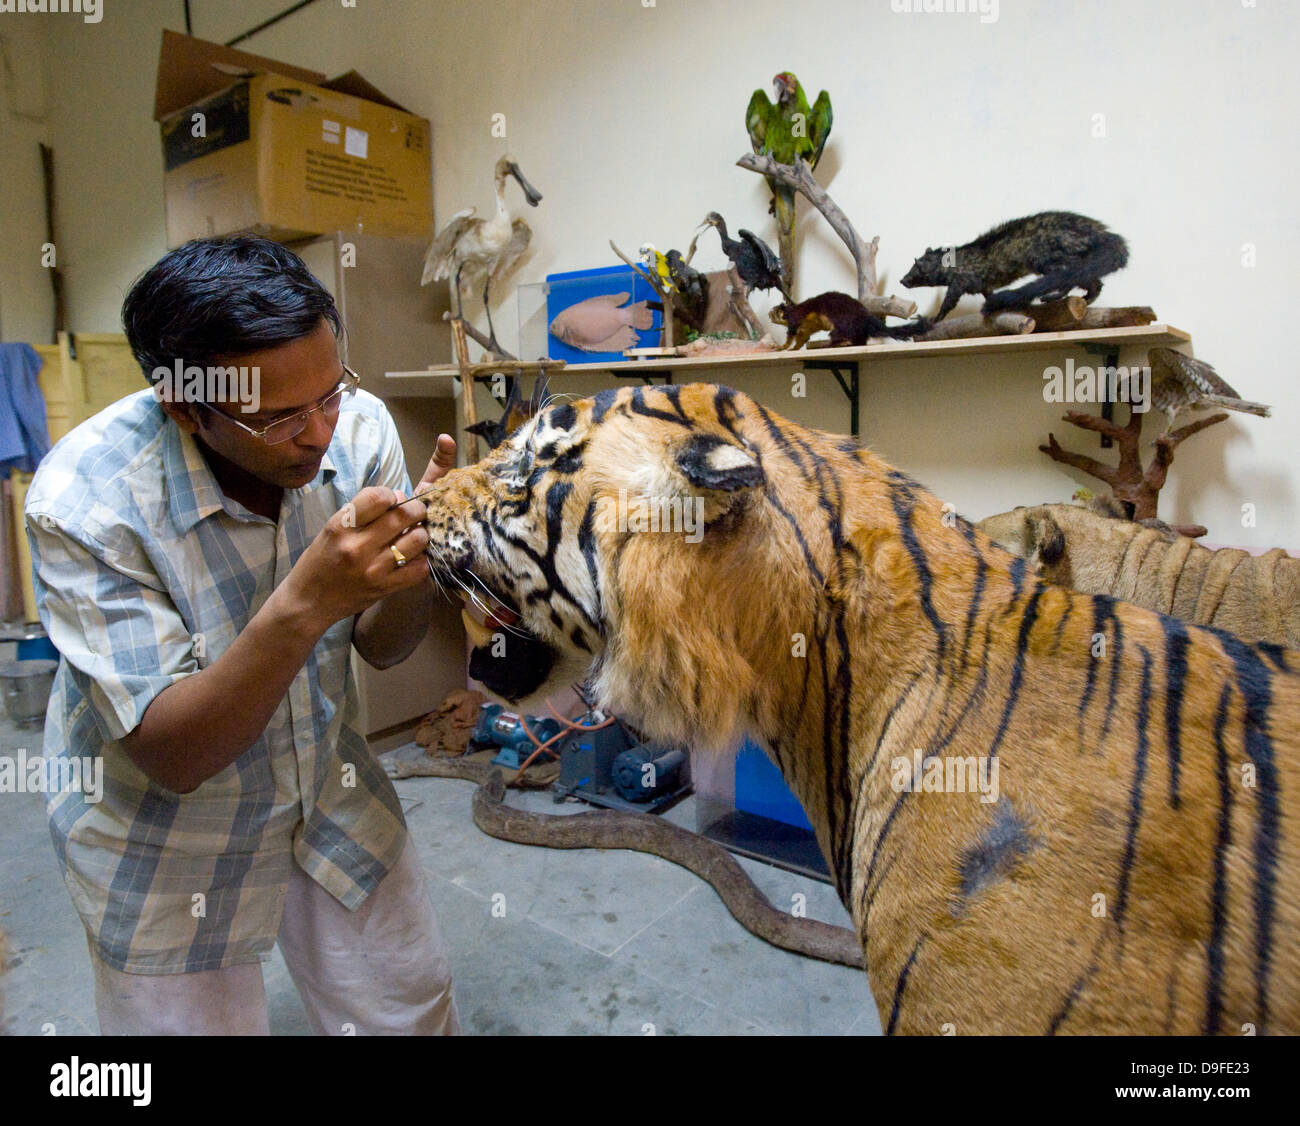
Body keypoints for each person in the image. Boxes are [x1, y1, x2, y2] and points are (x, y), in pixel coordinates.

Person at [25, 237, 461, 1035]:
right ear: (183, 405)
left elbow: (384, 647)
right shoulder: (85, 503)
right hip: (162, 836)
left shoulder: (358, 430)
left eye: (331, 392)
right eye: (280, 416)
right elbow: (175, 756)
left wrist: (421, 560)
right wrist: (303, 603)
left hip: (329, 790)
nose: (319, 432)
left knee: (411, 1004)